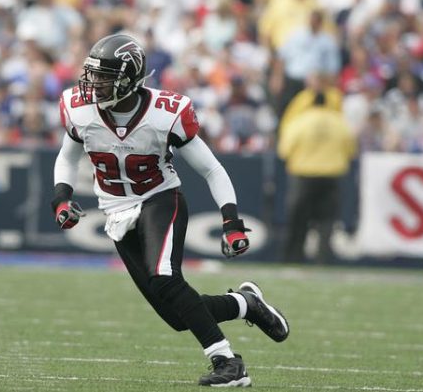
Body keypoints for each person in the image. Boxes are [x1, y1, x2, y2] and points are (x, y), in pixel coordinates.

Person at [52, 34, 289, 387]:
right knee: (178, 315)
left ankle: (227, 362)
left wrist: (231, 221)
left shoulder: (165, 114)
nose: (93, 85)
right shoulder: (78, 107)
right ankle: (245, 304)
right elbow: (67, 157)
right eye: (93, 75)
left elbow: (212, 169)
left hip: (161, 199)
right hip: (117, 211)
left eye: (104, 77)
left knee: (166, 277)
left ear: (129, 79)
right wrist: (61, 198)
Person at [278, 92, 356, 264]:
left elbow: (284, 149)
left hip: (303, 174)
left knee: (298, 219)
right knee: (327, 221)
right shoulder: (339, 122)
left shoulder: (299, 121)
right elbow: (351, 149)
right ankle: (322, 259)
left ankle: (293, 258)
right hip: (331, 175)